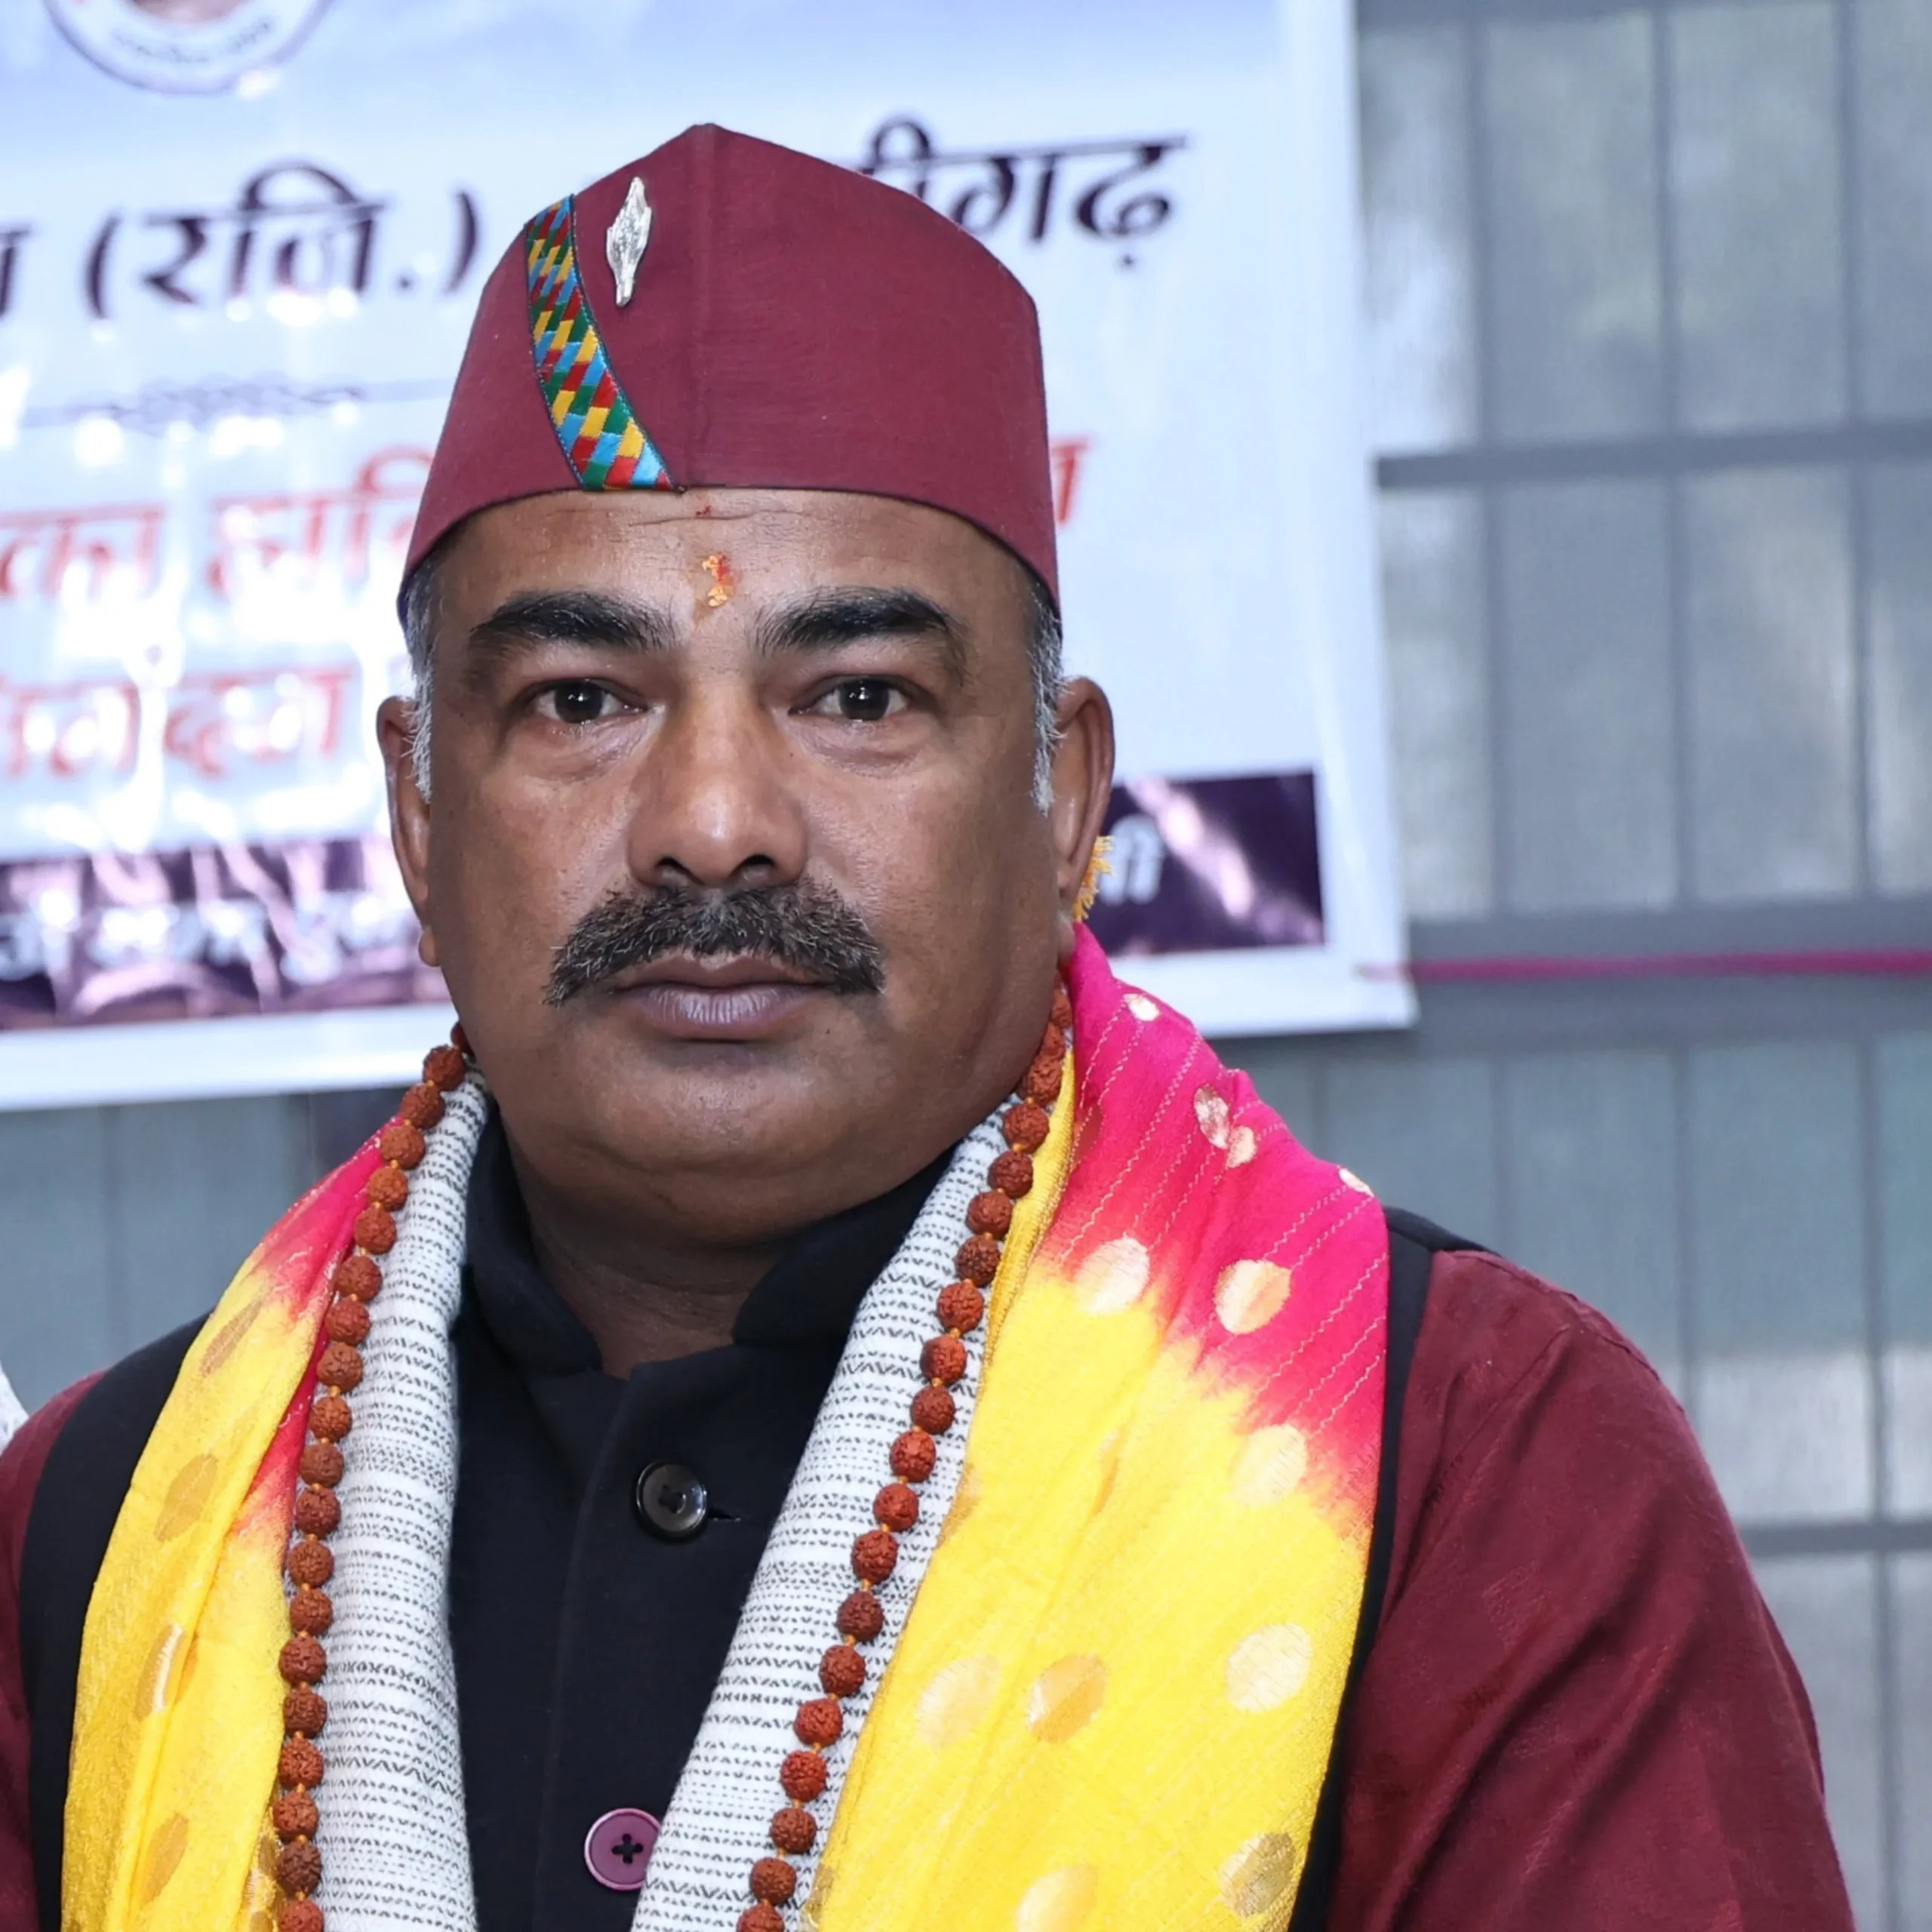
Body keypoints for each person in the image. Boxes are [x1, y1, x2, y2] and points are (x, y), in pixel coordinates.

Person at [0, 125, 1851, 1932]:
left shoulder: (1466, 1462)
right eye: (578, 698)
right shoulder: (104, 1524)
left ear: (1064, 799)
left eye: (860, 695)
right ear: (418, 812)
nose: (712, 819)